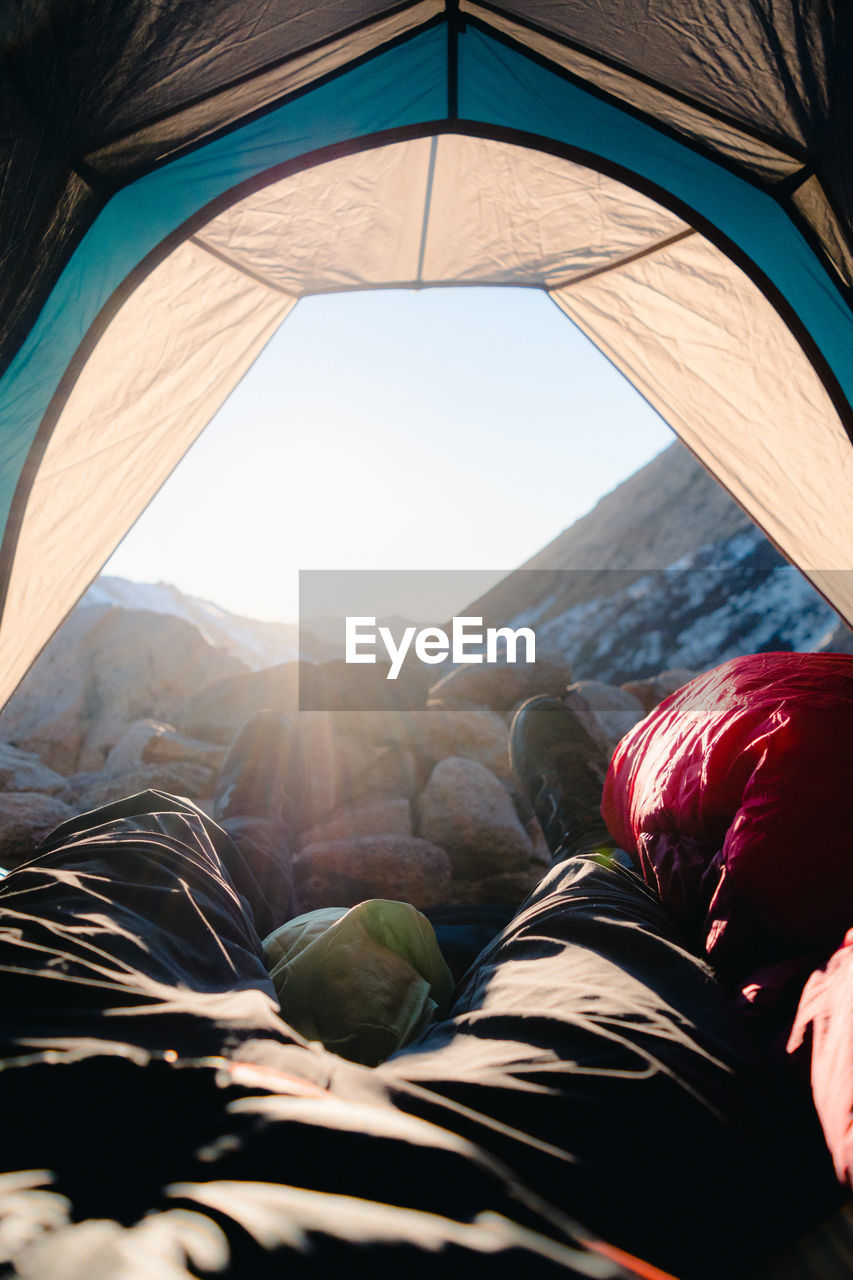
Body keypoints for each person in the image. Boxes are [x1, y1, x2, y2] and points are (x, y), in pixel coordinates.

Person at [0, 661, 844, 1279]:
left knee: (149, 834)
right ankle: (586, 843)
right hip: (464, 1196)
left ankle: (251, 825)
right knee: (602, 936)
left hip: (35, 1082)